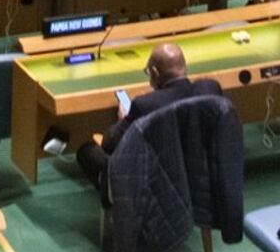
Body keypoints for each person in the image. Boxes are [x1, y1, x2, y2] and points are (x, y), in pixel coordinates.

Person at [73, 41, 222, 191]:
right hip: (201, 176)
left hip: (156, 184)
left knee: (87, 152)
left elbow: (110, 144)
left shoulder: (144, 105)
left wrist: (124, 119)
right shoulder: (209, 92)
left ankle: (115, 197)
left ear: (155, 73)